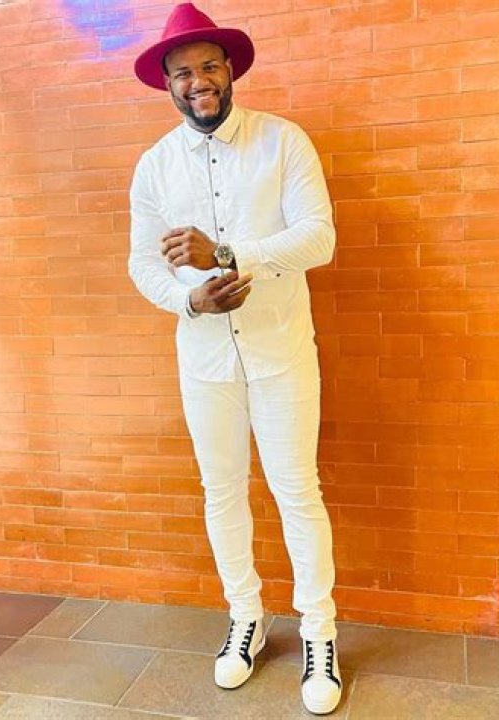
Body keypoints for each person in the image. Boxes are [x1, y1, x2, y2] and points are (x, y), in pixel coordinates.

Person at [129, 3, 341, 714]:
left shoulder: (284, 142)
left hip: (282, 353)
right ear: (167, 83)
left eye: (209, 66)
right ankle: (245, 617)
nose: (198, 82)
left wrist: (226, 253)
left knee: (296, 490)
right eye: (182, 73)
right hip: (205, 362)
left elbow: (319, 239)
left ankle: (318, 630)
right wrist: (190, 300)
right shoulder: (155, 168)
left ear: (230, 69)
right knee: (221, 492)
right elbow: (142, 265)